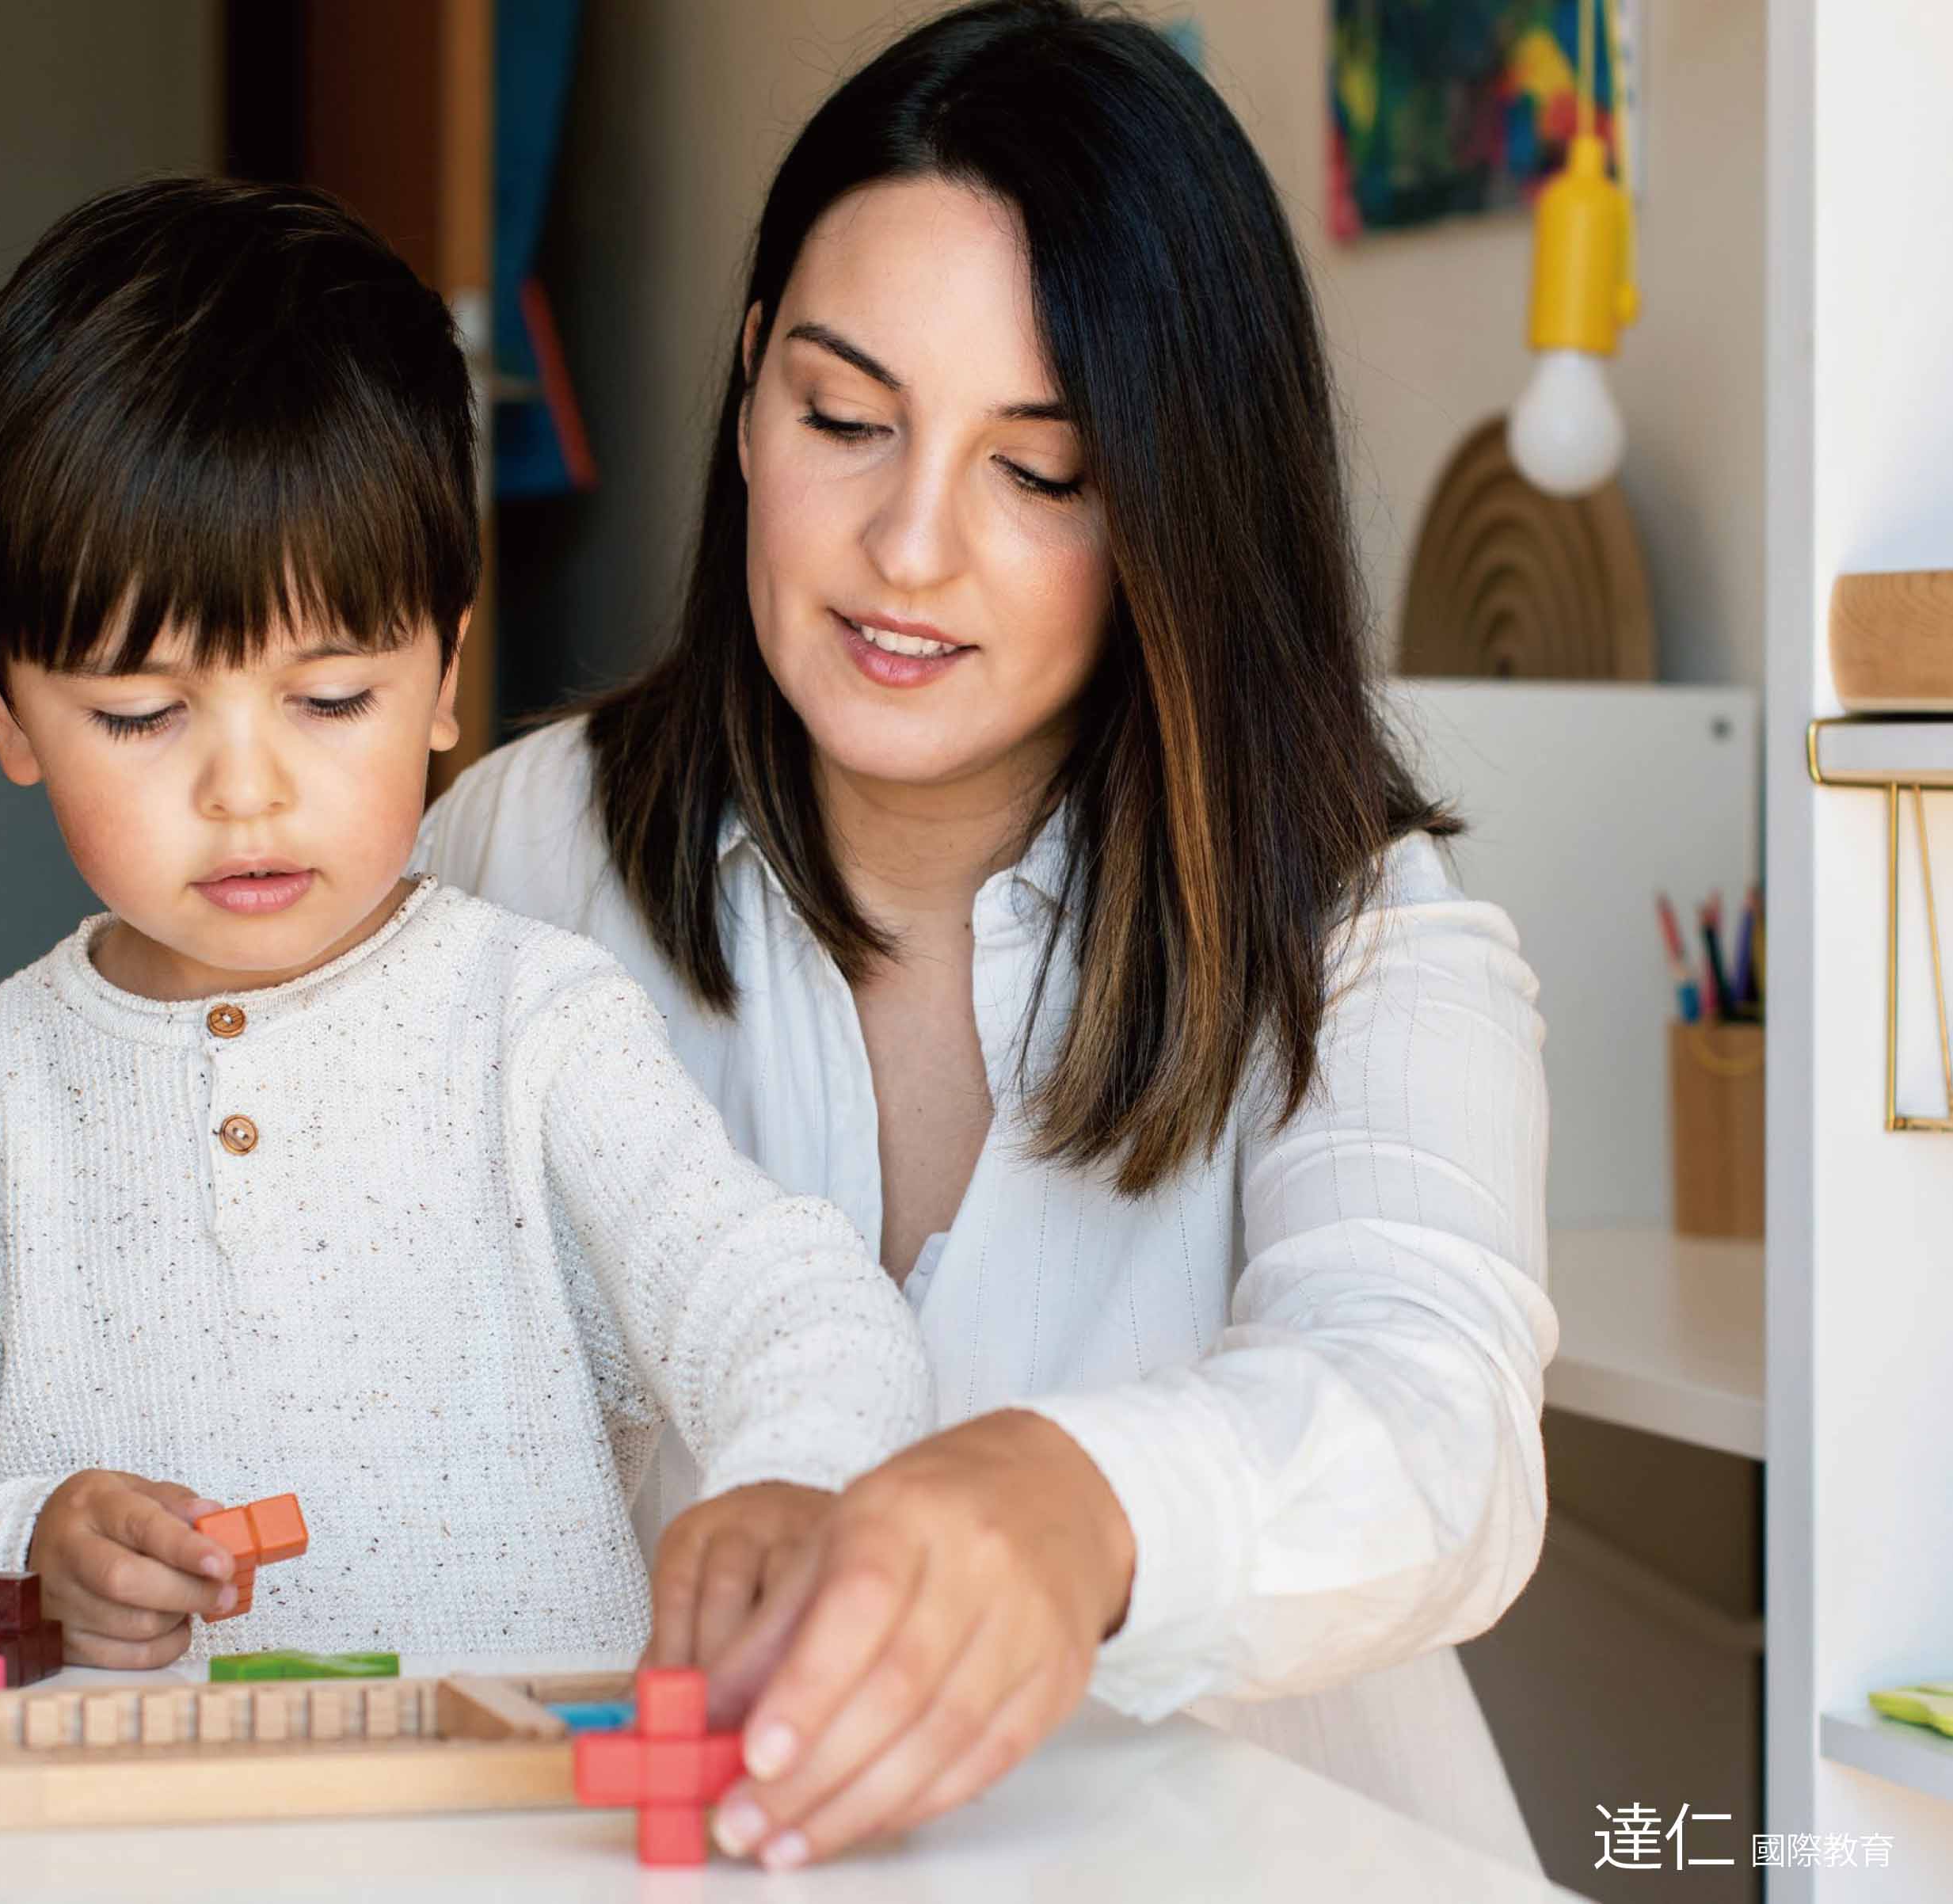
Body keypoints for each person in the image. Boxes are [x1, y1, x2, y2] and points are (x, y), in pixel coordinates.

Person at [416, 0, 1555, 1874]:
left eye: (1040, 471)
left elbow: (1439, 1428)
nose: (908, 544)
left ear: (1179, 510)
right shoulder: (526, 857)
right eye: (844, 416)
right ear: (744, 395)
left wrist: (1073, 1498)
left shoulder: (1350, 939)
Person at [0, 177, 932, 1673]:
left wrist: (793, 1483)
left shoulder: (534, 1034)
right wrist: (20, 1556)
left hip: (498, 1846)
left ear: (446, 669)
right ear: (1, 700)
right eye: (141, 713)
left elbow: (788, 1300)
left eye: (330, 700)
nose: (247, 791)